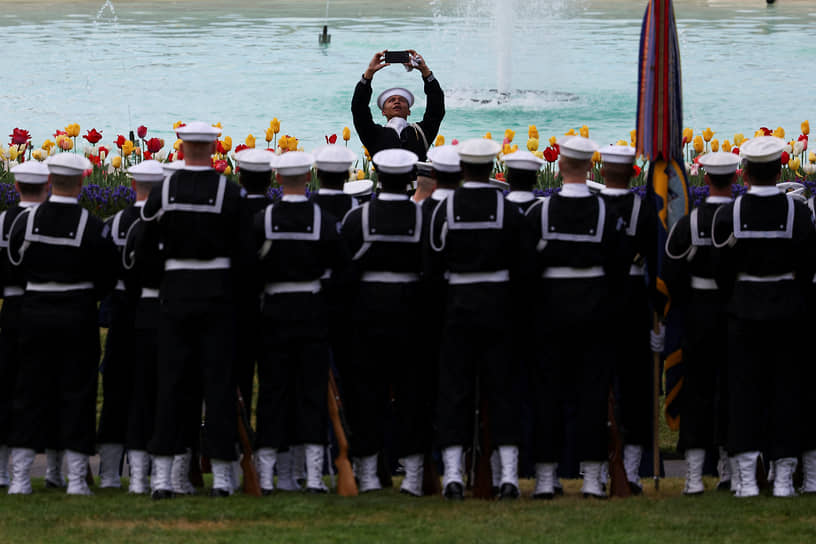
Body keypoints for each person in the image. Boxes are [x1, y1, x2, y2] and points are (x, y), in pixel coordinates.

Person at [139, 121, 254, 499]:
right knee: (218, 385)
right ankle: (223, 476)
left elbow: (145, 248)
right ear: (215, 148)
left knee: (171, 383)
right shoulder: (229, 191)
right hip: (218, 295)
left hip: (174, 295)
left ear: (182, 146)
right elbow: (244, 255)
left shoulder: (164, 190)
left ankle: (164, 478)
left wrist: (164, 282)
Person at [6, 153, 118, 495]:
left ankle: (21, 479)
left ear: (50, 180)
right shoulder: (92, 225)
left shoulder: (25, 221)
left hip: (34, 311)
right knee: (77, 392)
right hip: (77, 313)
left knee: (29, 392)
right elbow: (108, 276)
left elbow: (15, 262)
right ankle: (75, 479)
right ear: (83, 182)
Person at [711, 136, 816, 498]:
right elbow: (807, 268)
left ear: (744, 173)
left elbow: (721, 272)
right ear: (780, 169)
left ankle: (746, 479)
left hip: (743, 313)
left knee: (743, 392)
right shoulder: (798, 213)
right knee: (787, 391)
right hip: (788, 312)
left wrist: (739, 298)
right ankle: (784, 477)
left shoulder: (730, 213)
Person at [524, 136, 626, 499]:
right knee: (593, 396)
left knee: (547, 395)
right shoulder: (606, 214)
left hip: (550, 315)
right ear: (589, 166)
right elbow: (618, 269)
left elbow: (527, 271)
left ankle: (546, 477)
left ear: (561, 165)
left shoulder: (541, 213)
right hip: (595, 313)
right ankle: (593, 478)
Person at [429, 138, 524, 500]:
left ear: (463, 169)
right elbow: (523, 266)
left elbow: (433, 266)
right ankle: (509, 476)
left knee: (455, 391)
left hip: (457, 309)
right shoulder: (507, 210)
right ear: (491, 167)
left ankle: (453, 473)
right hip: (499, 309)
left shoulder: (445, 209)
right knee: (502, 390)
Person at [253, 151, 348, 495]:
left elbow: (251, 272)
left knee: (273, 393)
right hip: (311, 310)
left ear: (277, 179)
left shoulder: (263, 219)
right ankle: (311, 476)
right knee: (310, 393)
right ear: (308, 177)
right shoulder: (323, 219)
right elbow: (340, 269)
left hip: (274, 312)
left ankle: (267, 475)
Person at [341, 149, 429, 496]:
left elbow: (344, 277)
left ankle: (367, 472)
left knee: (366, 396)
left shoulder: (356, 220)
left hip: (367, 318)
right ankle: (413, 474)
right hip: (412, 317)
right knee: (412, 397)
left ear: (377, 176)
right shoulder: (427, 217)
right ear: (410, 179)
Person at [664, 151, 739, 495]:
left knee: (697, 392)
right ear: (735, 178)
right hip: (734, 313)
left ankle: (694, 476)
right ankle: (728, 470)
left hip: (698, 315)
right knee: (731, 390)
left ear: (705, 179)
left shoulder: (688, 224)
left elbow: (672, 274)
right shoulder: (741, 219)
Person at [597, 144, 658, 495]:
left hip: (597, 297)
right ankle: (631, 469)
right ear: (634, 173)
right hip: (634, 301)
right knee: (634, 387)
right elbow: (656, 261)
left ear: (603, 171)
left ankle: (595, 469)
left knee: (597, 384)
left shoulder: (592, 206)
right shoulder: (644, 210)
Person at [116, 160, 167, 494]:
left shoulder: (121, 222)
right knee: (170, 392)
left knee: (137, 392)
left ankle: (135, 475)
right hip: (170, 312)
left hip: (135, 314)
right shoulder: (169, 224)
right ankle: (168, 474)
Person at [0, 161, 51, 490]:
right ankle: (51, 469)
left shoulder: (3, 220)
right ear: (46, 187)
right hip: (45, 304)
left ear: (16, 187)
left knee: (7, 386)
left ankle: (4, 469)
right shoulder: (49, 219)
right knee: (42, 387)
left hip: (12, 308)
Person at [351, 50, 445, 162]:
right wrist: (368, 74)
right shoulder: (374, 134)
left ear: (409, 111)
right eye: (391, 100)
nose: (397, 102)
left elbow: (436, 107)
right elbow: (359, 109)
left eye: (402, 100)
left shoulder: (421, 132)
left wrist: (425, 71)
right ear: (383, 111)